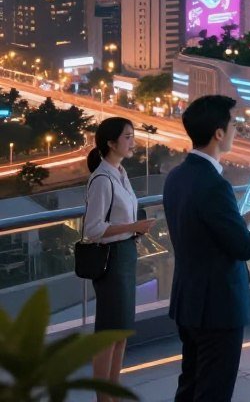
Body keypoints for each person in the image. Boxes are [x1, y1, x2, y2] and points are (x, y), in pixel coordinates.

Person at [163, 95, 250, 402]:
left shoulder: (177, 176)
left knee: (190, 384)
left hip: (189, 300)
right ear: (218, 133)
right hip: (217, 307)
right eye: (233, 124)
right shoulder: (215, 185)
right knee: (213, 390)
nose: (236, 130)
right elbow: (243, 248)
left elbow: (200, 230)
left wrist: (243, 220)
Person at [83, 118, 156, 402]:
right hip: (111, 260)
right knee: (108, 333)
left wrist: (134, 230)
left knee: (121, 331)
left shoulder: (120, 173)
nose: (132, 142)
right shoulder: (102, 179)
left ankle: (113, 393)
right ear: (111, 143)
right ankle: (103, 398)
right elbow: (93, 229)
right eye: (127, 137)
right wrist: (132, 227)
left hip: (125, 255)